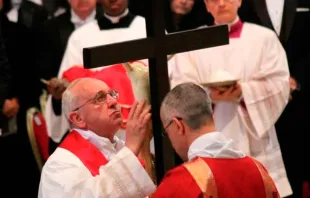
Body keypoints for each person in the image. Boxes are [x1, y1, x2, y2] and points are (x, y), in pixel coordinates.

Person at [169, 0, 292, 197]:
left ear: (239, 1)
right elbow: (181, 85)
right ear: (206, 5)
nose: (221, 3)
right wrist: (208, 95)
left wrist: (244, 91)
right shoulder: (193, 41)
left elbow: (279, 81)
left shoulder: (263, 38)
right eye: (213, 0)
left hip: (253, 132)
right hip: (211, 130)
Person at [45, 0, 147, 146]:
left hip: (143, 126)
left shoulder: (147, 29)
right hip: (95, 136)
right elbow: (70, 92)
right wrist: (58, 93)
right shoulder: (80, 37)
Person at [154, 82, 280, 197]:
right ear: (212, 118)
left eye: (167, 132)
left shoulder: (182, 182)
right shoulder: (258, 172)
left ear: (178, 126)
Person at [38, 77, 156, 197]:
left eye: (111, 94)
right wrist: (131, 148)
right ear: (78, 118)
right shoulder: (60, 165)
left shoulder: (118, 146)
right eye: (100, 98)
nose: (113, 102)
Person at [238, 1, 309, 197]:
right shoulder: (246, 4)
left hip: (301, 97)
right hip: (260, 100)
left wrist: (296, 79)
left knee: (299, 162)